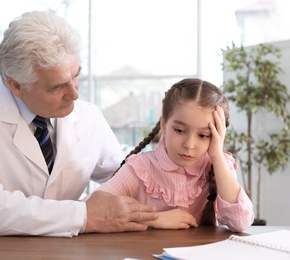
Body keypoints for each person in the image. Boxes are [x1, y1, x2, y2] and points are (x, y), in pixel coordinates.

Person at [0, 11, 158, 237]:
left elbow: (127, 177)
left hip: (59, 249)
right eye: (57, 87)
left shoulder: (89, 116)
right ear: (16, 86)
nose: (74, 94)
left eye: (75, 76)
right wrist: (84, 215)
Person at [85, 78, 254, 232]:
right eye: (179, 130)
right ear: (164, 124)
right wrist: (154, 219)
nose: (189, 145)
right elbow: (88, 211)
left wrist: (217, 155)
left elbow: (241, 222)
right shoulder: (139, 169)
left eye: (203, 135)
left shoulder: (219, 165)